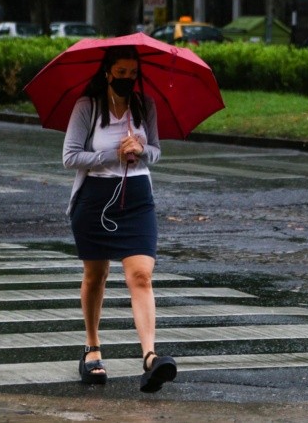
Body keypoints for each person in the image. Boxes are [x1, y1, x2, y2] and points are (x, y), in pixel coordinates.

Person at [62, 46, 177, 393]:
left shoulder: (146, 106)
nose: (128, 79)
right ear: (108, 72)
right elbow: (69, 157)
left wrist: (141, 151)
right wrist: (112, 153)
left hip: (137, 199)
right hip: (95, 200)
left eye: (132, 73)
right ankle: (92, 349)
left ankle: (150, 358)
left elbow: (156, 149)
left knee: (140, 275)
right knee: (96, 275)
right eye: (121, 72)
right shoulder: (88, 106)